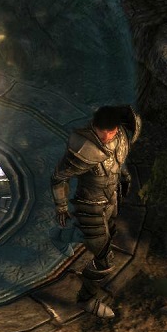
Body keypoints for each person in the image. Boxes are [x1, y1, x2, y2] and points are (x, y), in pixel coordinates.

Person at [50, 104, 141, 319]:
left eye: (112, 131)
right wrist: (61, 206)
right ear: (94, 127)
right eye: (103, 132)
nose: (107, 136)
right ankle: (86, 299)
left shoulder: (121, 137)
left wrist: (124, 177)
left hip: (111, 200)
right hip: (89, 206)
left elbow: (119, 162)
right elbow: (59, 177)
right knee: (105, 260)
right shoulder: (85, 147)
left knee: (104, 235)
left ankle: (60, 237)